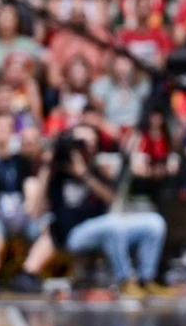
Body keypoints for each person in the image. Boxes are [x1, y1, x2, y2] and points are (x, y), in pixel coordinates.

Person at [48, 124, 168, 297]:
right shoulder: (58, 171)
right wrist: (50, 164)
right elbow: (41, 208)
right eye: (81, 142)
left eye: (90, 141)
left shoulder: (95, 169)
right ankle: (126, 281)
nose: (86, 146)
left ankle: (146, 279)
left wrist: (85, 174)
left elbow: (110, 198)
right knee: (112, 224)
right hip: (73, 234)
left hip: (104, 227)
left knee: (154, 223)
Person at [0, 112, 53, 294]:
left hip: (22, 214)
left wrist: (26, 209)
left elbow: (31, 191)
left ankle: (27, 273)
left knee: (49, 229)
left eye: (6, 129)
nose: (1, 133)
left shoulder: (22, 163)